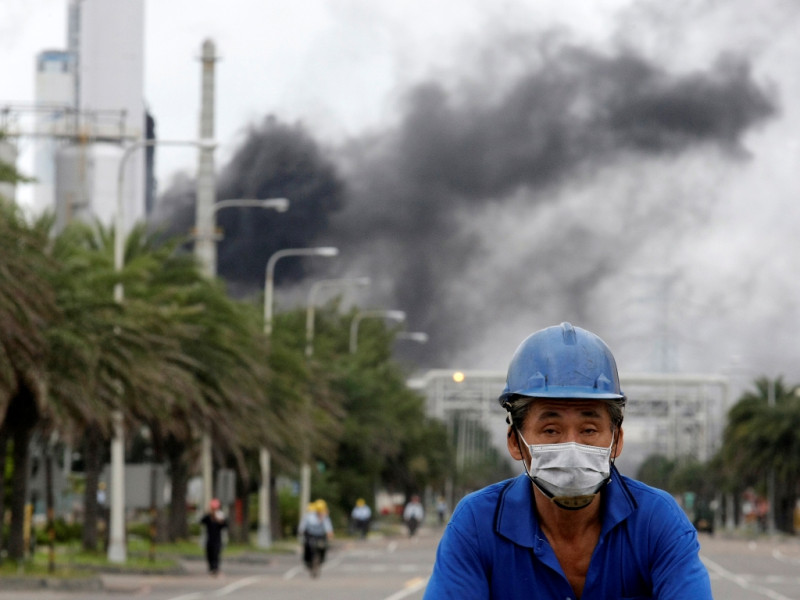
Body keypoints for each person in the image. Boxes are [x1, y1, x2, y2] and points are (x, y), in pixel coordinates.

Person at [424, 322, 713, 599]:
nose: (571, 446)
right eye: (551, 430)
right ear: (515, 441)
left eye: (589, 430)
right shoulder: (477, 524)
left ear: (617, 441)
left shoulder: (656, 522)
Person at [298, 499, 334, 577]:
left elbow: (329, 529)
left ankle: (320, 561)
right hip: (310, 536)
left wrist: (329, 537)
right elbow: (303, 527)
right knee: (307, 547)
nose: (321, 512)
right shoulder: (309, 516)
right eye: (319, 510)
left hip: (320, 536)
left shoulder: (325, 517)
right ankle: (307, 561)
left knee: (323, 548)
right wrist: (301, 533)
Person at [200, 498, 228, 576]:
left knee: (216, 554)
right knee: (209, 554)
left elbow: (225, 526)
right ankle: (211, 568)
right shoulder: (208, 516)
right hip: (209, 538)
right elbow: (202, 521)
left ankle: (215, 568)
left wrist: (220, 521)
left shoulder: (220, 515)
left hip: (217, 539)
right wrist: (209, 515)